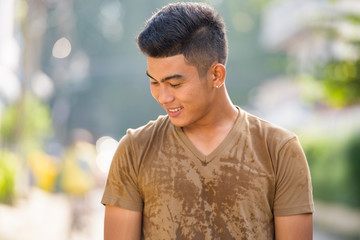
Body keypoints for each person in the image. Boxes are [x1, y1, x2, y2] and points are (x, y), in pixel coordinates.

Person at [102, 2, 314, 239]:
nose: (163, 96)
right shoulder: (134, 150)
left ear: (216, 75)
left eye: (175, 84)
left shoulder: (279, 150)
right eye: (154, 82)